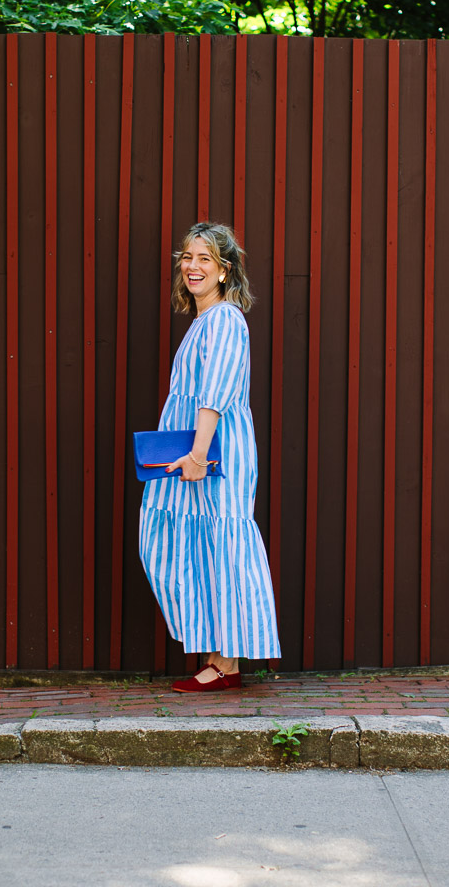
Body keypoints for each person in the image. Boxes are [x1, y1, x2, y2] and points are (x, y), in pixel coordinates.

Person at [138, 222, 281, 692]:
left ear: (224, 271)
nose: (193, 267)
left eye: (205, 259)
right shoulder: (205, 321)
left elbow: (215, 395)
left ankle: (225, 665)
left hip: (214, 454)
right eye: (187, 257)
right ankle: (219, 659)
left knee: (220, 548)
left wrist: (198, 456)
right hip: (198, 451)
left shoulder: (224, 320)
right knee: (188, 547)